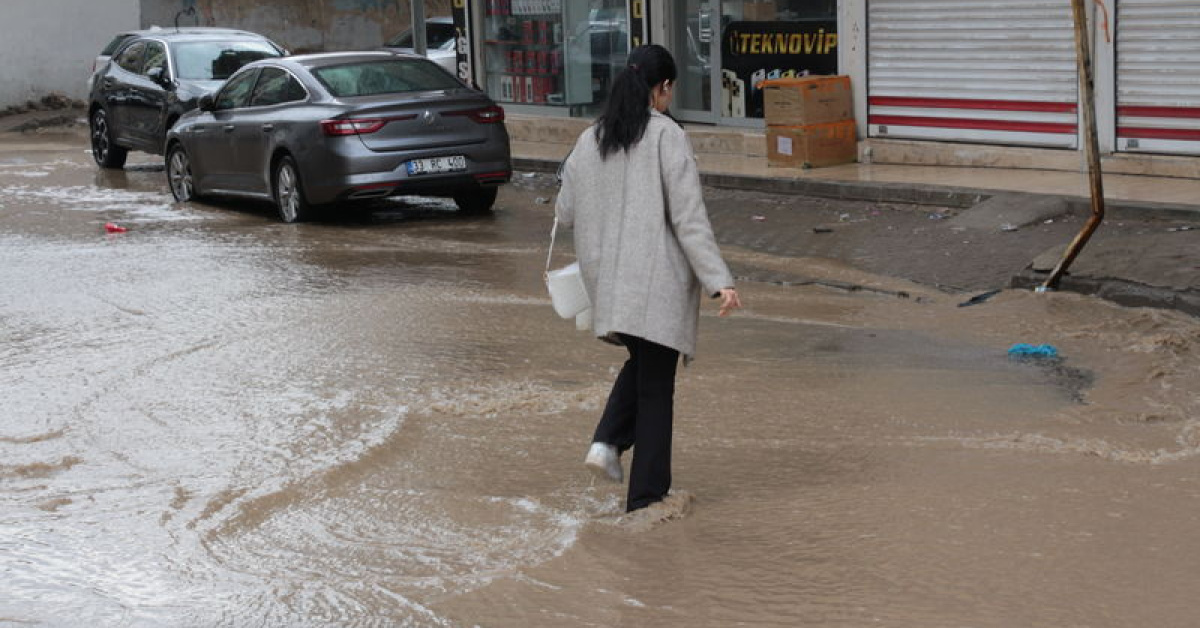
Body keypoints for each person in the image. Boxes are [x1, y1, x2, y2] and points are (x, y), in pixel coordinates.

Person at [554, 44, 742, 512]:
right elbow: (689, 217)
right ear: (662, 88)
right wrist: (719, 279)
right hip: (656, 284)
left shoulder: (589, 138)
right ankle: (646, 500)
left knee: (644, 368)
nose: (669, 101)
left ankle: (608, 444)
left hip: (609, 283)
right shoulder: (666, 136)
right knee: (657, 388)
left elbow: (566, 212)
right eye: (669, 91)